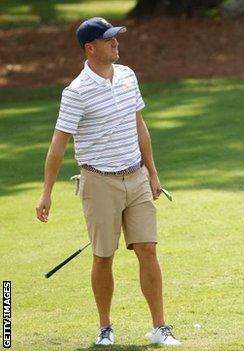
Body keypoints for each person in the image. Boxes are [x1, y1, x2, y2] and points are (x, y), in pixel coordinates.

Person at [35, 17, 181, 346]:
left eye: (116, 38)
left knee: (148, 248)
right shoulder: (76, 92)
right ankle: (105, 328)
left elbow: (140, 126)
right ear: (91, 48)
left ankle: (160, 327)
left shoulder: (128, 76)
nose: (116, 43)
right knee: (103, 256)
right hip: (99, 182)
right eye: (108, 39)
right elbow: (58, 145)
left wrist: (152, 172)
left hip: (137, 176)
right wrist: (46, 193)